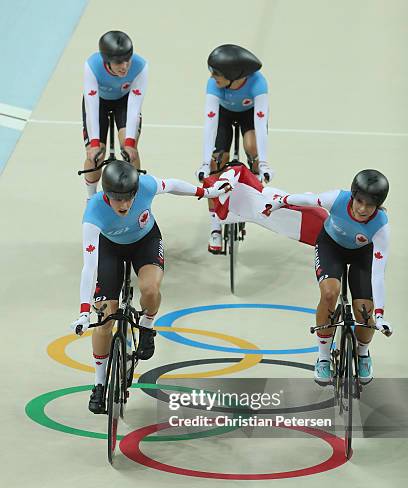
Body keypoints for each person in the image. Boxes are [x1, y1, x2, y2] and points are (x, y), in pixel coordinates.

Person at [70, 161, 231, 414]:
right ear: (106, 196)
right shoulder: (92, 214)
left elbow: (174, 185)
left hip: (145, 240)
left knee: (151, 290)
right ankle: (99, 384)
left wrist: (206, 193)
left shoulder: (145, 185)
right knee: (103, 318)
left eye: (129, 199)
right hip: (110, 249)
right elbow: (89, 267)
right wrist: (82, 312)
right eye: (117, 200)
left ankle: (147, 327)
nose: (124, 206)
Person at [271, 169, 393, 385]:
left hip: (362, 256)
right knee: (330, 294)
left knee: (365, 311)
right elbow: (310, 199)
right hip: (330, 246)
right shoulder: (337, 198)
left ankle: (363, 353)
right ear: (353, 196)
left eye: (370, 205)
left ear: (378, 205)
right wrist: (282, 200)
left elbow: (378, 273)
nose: (362, 209)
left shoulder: (381, 226)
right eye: (359, 201)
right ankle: (324, 357)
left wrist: (381, 315)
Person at [195, 44, 274, 253]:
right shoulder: (214, 86)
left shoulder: (258, 83)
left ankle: (255, 177)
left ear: (233, 75)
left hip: (249, 115)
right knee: (217, 161)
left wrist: (264, 163)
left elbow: (260, 124)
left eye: (217, 73)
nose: (212, 77)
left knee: (251, 144)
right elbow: (210, 125)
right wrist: (205, 162)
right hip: (224, 115)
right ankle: (215, 228)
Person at [82, 31, 147, 201]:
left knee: (129, 151)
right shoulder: (92, 65)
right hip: (99, 104)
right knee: (95, 155)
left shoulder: (140, 66)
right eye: (118, 62)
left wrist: (130, 143)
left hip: (125, 103)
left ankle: (136, 198)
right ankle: (91, 198)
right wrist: (95, 143)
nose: (124, 66)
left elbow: (134, 106)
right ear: (106, 61)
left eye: (127, 60)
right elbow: (92, 106)